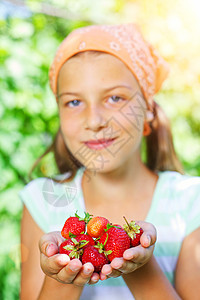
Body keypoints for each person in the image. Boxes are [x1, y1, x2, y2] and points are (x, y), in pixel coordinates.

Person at [19, 23, 200, 300]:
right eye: (74, 102)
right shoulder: (42, 201)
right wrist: (63, 276)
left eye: (115, 98)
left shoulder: (191, 202)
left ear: (148, 108)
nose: (95, 121)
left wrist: (139, 268)